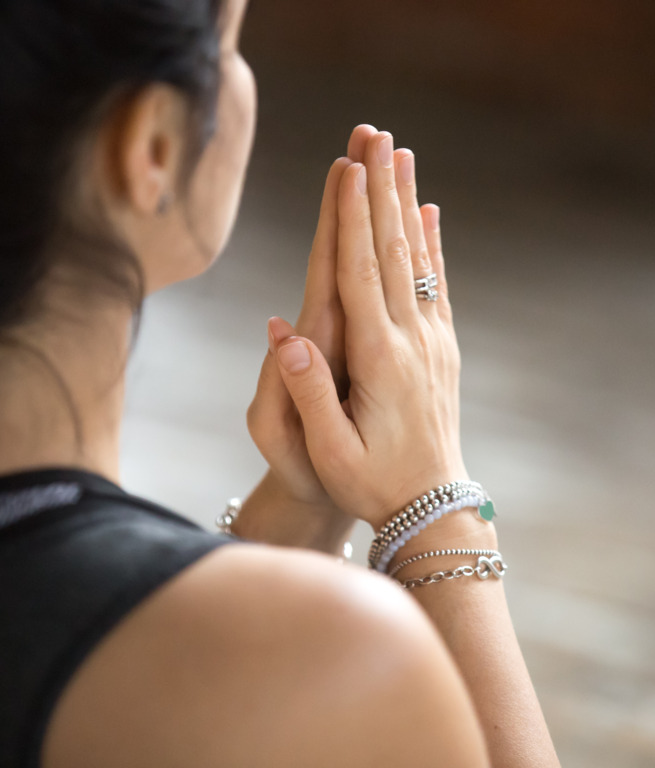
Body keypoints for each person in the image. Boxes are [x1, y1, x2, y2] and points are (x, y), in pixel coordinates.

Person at [0, 0, 561, 766]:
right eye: (231, 41)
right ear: (154, 146)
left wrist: (295, 514)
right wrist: (434, 505)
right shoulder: (343, 659)